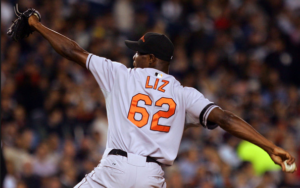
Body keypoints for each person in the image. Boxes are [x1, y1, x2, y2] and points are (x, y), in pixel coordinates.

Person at [26, 14, 296, 188]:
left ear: (152, 59)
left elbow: (72, 50)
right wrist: (269, 146)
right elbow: (225, 118)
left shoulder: (121, 75)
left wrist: (36, 25)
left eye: (139, 53)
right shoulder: (183, 93)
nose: (134, 56)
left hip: (115, 170)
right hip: (150, 177)